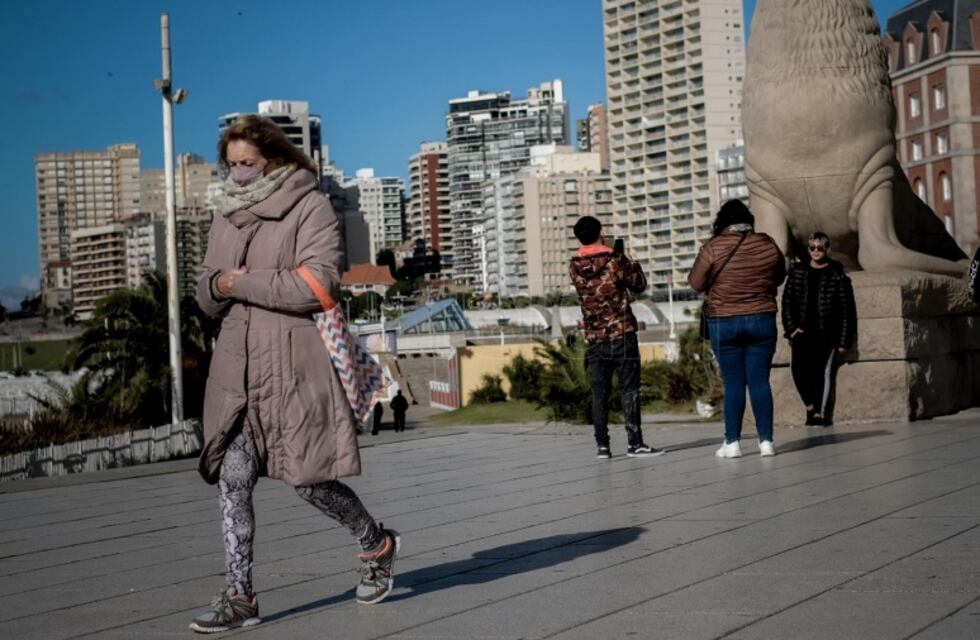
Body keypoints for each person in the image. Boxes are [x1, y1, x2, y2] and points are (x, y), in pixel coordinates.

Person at [190, 115, 399, 633]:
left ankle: (375, 544)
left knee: (310, 481)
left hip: (291, 366)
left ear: (275, 160)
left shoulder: (311, 205)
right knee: (233, 482)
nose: (238, 174)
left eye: (248, 164)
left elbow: (317, 285)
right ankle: (241, 596)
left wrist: (239, 281)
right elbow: (204, 292)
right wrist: (219, 286)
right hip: (234, 369)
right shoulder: (225, 215)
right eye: (232, 165)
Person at [688, 200, 786, 459]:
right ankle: (766, 442)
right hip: (762, 319)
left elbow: (696, 283)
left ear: (723, 222)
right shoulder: (767, 244)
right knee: (759, 382)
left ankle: (732, 443)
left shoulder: (713, 247)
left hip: (725, 321)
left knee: (734, 384)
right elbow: (779, 275)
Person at [569, 216, 664, 460]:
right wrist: (631, 261)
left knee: (599, 393)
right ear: (600, 232)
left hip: (594, 337)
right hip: (621, 333)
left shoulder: (574, 265)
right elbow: (639, 285)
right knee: (629, 389)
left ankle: (602, 446)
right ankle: (635, 444)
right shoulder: (615, 260)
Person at [781, 232, 857, 426]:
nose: (816, 251)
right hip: (801, 333)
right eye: (812, 247)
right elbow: (787, 302)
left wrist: (843, 340)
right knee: (798, 370)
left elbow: (847, 310)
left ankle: (820, 414)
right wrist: (792, 329)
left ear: (827, 249)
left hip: (827, 335)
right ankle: (810, 407)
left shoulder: (838, 275)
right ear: (808, 249)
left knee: (823, 373)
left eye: (820, 248)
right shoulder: (797, 272)